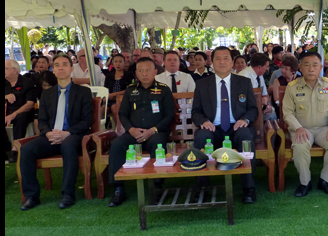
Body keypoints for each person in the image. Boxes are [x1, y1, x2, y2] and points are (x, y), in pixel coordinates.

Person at [18, 54, 93, 210]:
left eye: (65, 64)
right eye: (57, 65)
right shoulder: (47, 94)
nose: (61, 68)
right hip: (51, 136)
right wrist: (47, 133)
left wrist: (67, 132)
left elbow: (86, 121)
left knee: (67, 145)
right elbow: (43, 120)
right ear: (53, 70)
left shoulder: (83, 92)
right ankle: (31, 196)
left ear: (72, 69)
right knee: (26, 149)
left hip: (73, 136)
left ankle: (68, 194)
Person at [191, 46, 258, 204]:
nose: (222, 62)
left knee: (246, 136)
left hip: (236, 127)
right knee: (201, 136)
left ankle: (248, 188)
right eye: (217, 58)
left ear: (232, 62)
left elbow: (253, 109)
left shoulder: (244, 82)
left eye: (226, 58)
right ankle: (202, 188)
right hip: (213, 129)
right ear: (211, 62)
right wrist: (203, 121)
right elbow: (196, 112)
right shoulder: (202, 84)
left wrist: (245, 120)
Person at [107, 57, 175, 207]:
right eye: (141, 71)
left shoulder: (163, 90)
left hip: (155, 132)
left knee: (158, 143)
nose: (144, 74)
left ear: (155, 72)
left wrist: (153, 130)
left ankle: (156, 187)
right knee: (117, 144)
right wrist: (131, 129)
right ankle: (118, 189)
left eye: (148, 70)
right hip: (133, 134)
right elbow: (123, 114)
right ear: (136, 73)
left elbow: (169, 116)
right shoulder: (131, 90)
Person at [282, 52, 328, 197]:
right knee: (300, 146)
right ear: (300, 68)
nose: (311, 69)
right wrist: (298, 128)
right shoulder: (292, 87)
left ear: (321, 67)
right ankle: (305, 182)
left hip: (324, 129)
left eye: (315, 65)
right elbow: (288, 112)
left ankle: (325, 181)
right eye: (307, 65)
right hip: (302, 129)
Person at [5, 59, 37, 163]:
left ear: (14, 70)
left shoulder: (27, 82)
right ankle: (6, 149)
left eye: (5, 68)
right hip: (7, 111)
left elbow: (30, 104)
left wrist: (13, 114)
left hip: (23, 111)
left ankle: (15, 149)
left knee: (21, 118)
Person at [238, 52, 276, 121]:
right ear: (259, 67)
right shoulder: (243, 76)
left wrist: (268, 105)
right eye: (266, 66)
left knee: (272, 113)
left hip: (259, 108)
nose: (268, 69)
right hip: (246, 112)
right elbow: (241, 99)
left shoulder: (260, 75)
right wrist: (258, 101)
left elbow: (265, 94)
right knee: (272, 116)